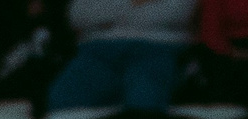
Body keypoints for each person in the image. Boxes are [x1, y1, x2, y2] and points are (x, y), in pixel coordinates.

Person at [46, 0, 196, 112]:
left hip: (156, 48)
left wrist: (110, 11)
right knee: (63, 100)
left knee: (145, 101)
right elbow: (79, 14)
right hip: (96, 50)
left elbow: (177, 13)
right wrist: (134, 5)